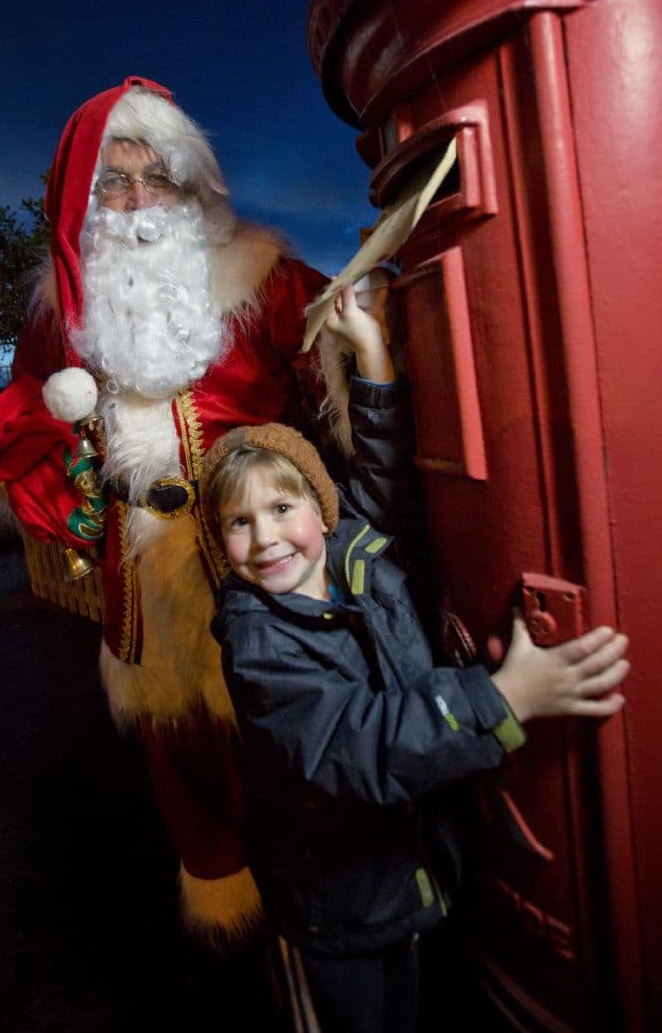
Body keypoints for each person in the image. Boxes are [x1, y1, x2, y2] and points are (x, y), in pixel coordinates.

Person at [0, 76, 365, 945]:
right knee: (175, 737)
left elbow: (348, 358)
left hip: (261, 545)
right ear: (86, 199)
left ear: (193, 188)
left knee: (291, 727)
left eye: (158, 179)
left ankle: (323, 899)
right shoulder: (62, 313)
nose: (138, 201)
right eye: (115, 183)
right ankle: (225, 897)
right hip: (137, 569)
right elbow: (27, 415)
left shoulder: (266, 277)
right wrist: (66, 498)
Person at [199, 283, 630, 1033]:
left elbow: (387, 470)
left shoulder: (353, 547)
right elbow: (351, 742)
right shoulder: (257, 642)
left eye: (281, 509)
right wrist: (503, 700)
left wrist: (370, 349)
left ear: (321, 510)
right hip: (334, 902)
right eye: (238, 524)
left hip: (413, 867)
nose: (266, 540)